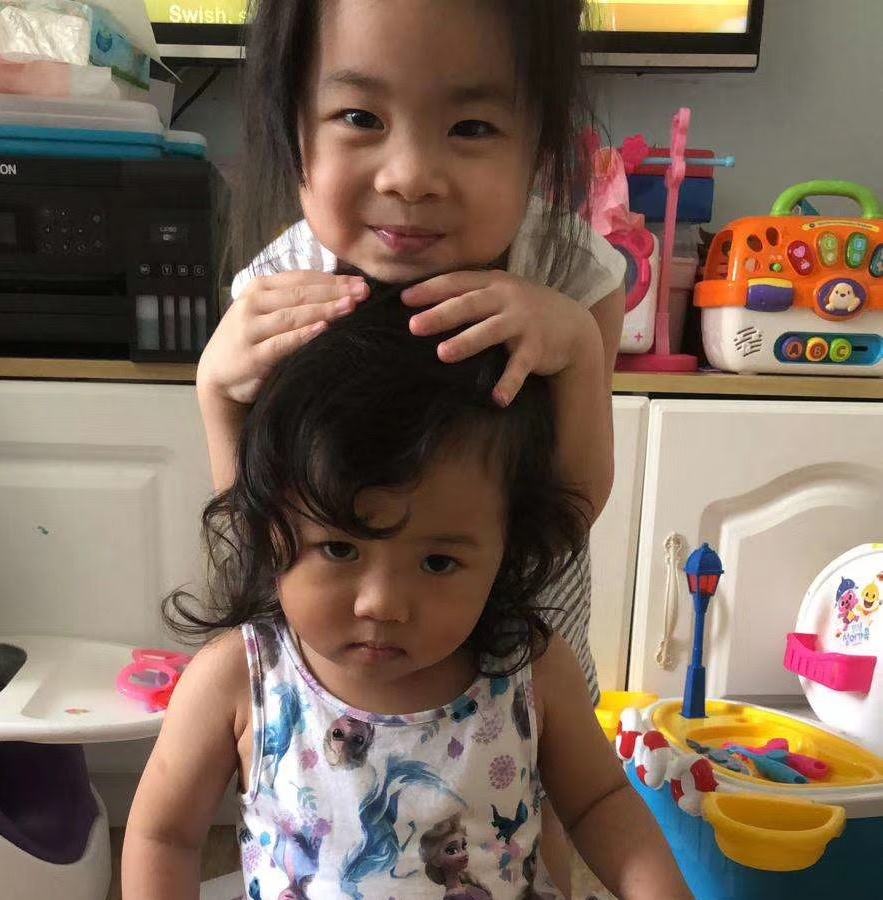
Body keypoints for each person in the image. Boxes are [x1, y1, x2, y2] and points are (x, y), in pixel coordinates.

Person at [198, 0, 626, 887]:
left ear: (540, 140)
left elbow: (572, 507)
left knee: (531, 824)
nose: (411, 176)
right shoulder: (282, 289)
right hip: (337, 658)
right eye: (360, 116)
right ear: (292, 122)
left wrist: (579, 350)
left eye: (470, 126)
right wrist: (215, 390)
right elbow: (260, 519)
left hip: (518, 648)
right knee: (334, 822)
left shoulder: (567, 275)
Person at [122, 294, 691, 900]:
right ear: (270, 529)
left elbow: (602, 803)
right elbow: (165, 835)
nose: (382, 604)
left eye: (438, 562)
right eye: (339, 549)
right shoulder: (240, 679)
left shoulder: (530, 669)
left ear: (508, 550)